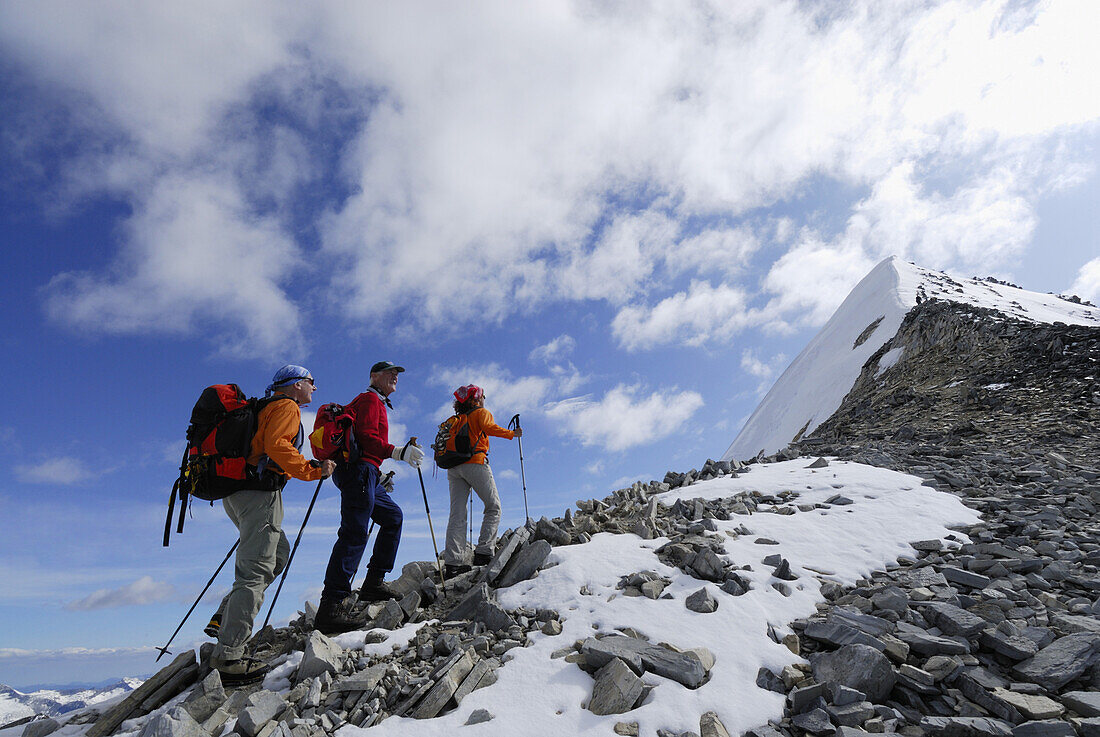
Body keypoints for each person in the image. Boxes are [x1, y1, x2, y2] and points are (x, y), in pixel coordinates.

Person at [208, 364, 336, 685]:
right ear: (295, 385)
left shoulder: (263, 407)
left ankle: (226, 617)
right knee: (256, 571)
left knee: (277, 555)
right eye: (311, 382)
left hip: (236, 494)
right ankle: (229, 657)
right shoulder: (287, 407)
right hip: (259, 495)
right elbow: (278, 446)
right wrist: (312, 470)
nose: (314, 388)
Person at [316, 360, 424, 635]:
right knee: (354, 532)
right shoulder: (369, 399)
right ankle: (331, 607)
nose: (395, 377)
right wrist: (398, 452)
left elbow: (365, 443)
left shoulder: (373, 400)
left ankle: (373, 582)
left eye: (397, 373)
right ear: (374, 376)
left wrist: (378, 473)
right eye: (389, 373)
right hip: (359, 472)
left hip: (366, 473)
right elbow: (366, 437)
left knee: (392, 517)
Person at [442, 384, 521, 577]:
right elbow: (489, 427)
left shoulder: (453, 420)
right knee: (493, 506)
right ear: (475, 399)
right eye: (483, 395)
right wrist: (512, 434)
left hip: (453, 467)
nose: (484, 398)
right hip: (475, 463)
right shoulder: (480, 412)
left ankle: (453, 564)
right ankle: (484, 552)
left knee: (457, 514)